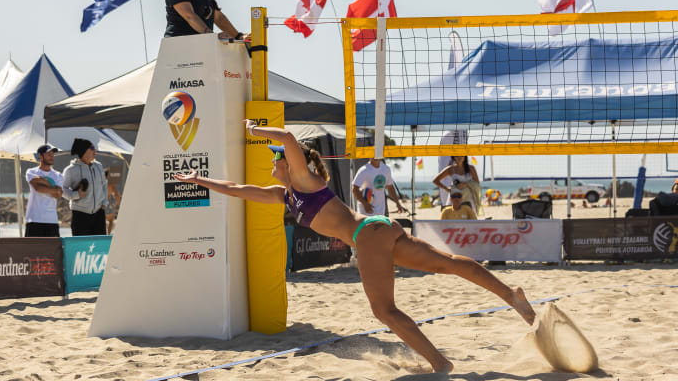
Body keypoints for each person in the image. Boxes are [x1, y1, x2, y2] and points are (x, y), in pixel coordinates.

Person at [174, 120, 536, 374]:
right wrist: (197, 180)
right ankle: (512, 294)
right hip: (376, 230)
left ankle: (440, 363)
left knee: (385, 311)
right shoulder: (284, 195)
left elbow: (285, 136)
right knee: (447, 265)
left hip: (368, 236)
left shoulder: (305, 179)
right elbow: (236, 188)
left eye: (276, 157)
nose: (272, 160)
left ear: (291, 162)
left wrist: (253, 130)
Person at [62, 139, 108, 236]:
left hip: (99, 214)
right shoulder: (70, 170)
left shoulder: (99, 166)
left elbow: (104, 184)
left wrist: (105, 202)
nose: (94, 150)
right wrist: (76, 195)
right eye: (91, 148)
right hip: (80, 215)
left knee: (100, 247)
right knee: (81, 248)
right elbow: (62, 189)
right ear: (83, 151)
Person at [24, 144, 64, 237]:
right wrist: (54, 188)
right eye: (48, 154)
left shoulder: (58, 175)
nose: (51, 156)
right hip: (34, 219)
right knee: (32, 251)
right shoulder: (31, 172)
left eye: (52, 154)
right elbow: (38, 188)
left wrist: (43, 181)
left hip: (52, 220)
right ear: (40, 156)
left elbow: (58, 195)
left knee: (52, 251)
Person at [104, 169, 123, 235]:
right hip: (107, 204)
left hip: (99, 204)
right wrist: (121, 205)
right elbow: (116, 195)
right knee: (111, 221)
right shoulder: (110, 184)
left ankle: (102, 234)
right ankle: (108, 235)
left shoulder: (100, 183)